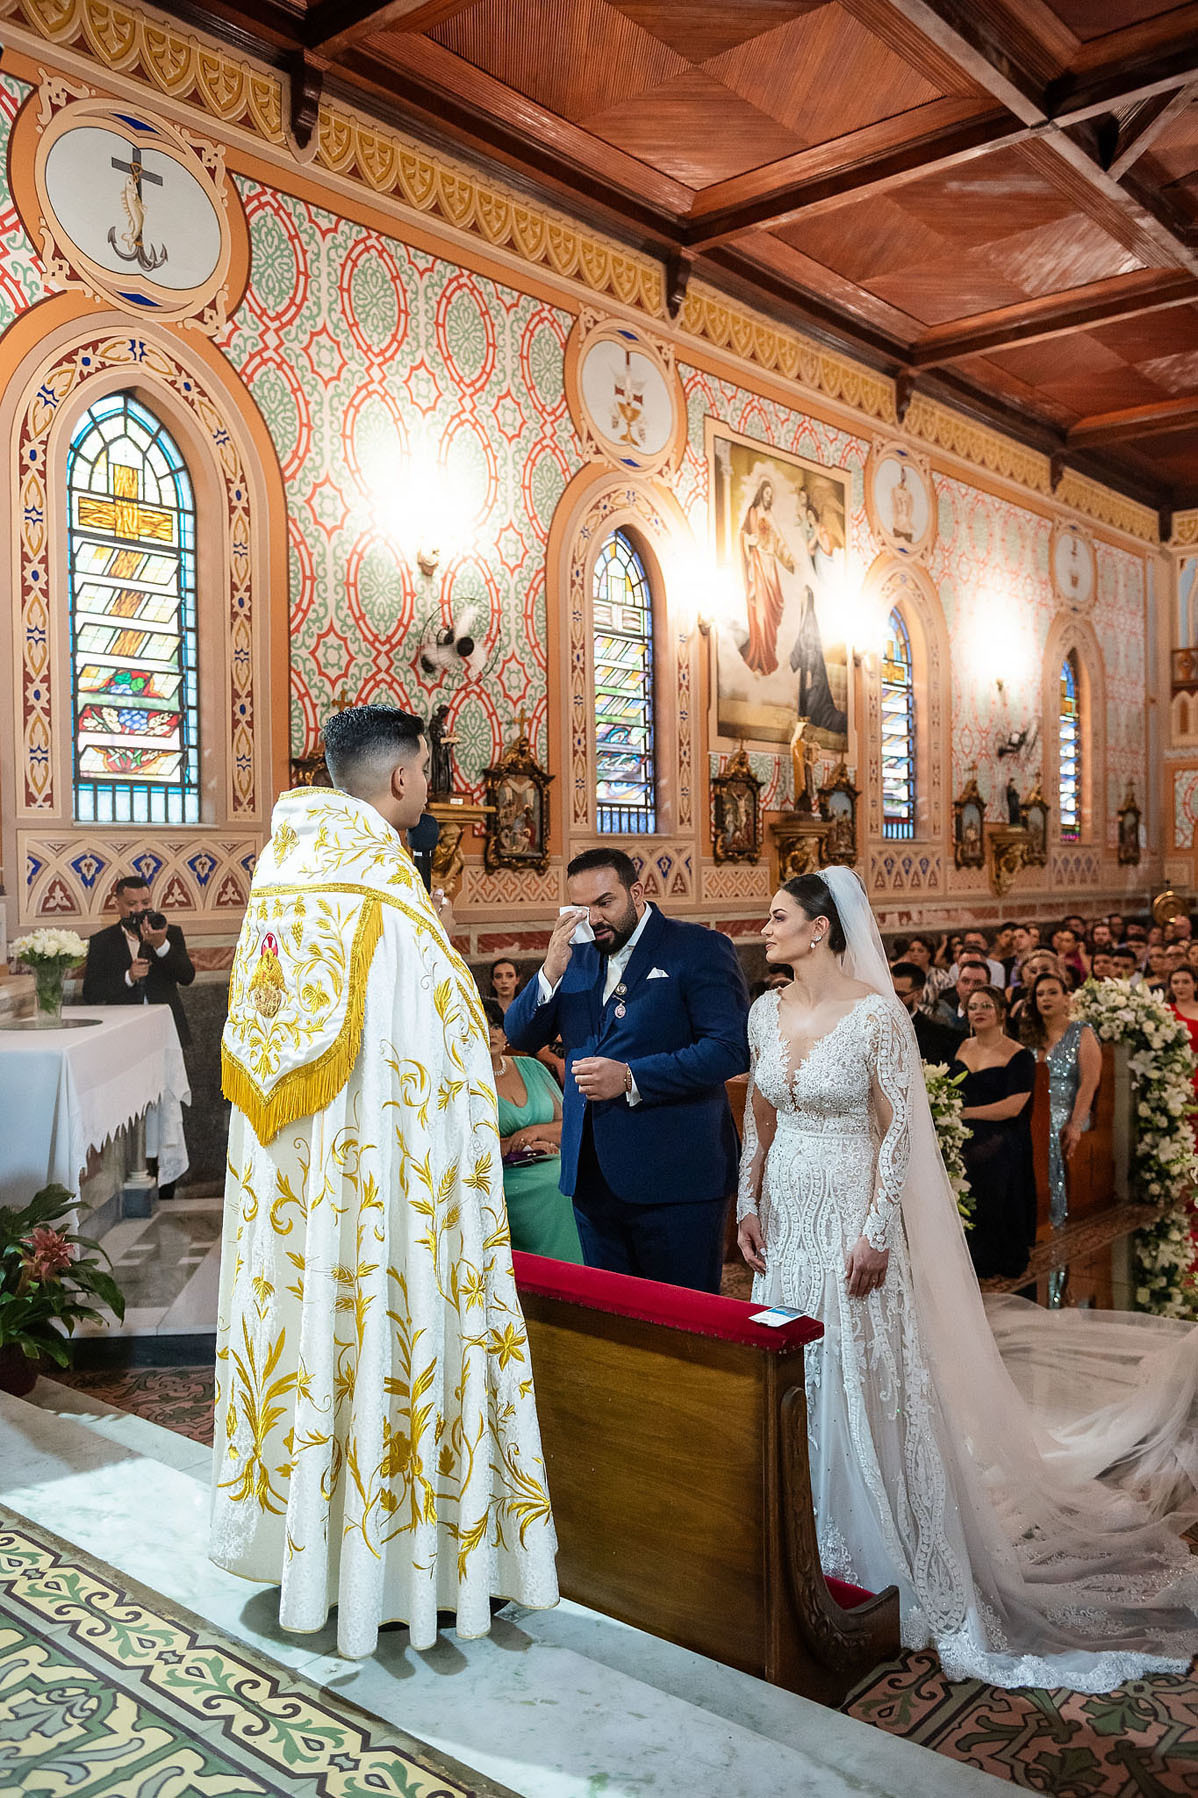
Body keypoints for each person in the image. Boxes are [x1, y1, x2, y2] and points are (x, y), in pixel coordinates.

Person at [735, 866, 1198, 1691]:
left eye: (776, 917)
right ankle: (804, 1543)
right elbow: (757, 1119)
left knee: (860, 1371)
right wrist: (746, 1204)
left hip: (849, 1212)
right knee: (797, 1372)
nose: (763, 928)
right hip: (788, 1214)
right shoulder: (763, 1010)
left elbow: (899, 1128)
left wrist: (879, 1232)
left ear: (820, 929)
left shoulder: (876, 1016)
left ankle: (880, 1557)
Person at [211, 705, 557, 1658]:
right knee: (385, 1351)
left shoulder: (281, 884)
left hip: (301, 1217)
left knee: (307, 1346)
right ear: (406, 778)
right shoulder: (391, 913)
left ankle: (310, 1556)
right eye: (430, 772)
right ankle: (401, 1569)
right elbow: (443, 1086)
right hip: (387, 1220)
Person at [503, 847, 749, 1293]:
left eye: (605, 903)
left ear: (636, 893)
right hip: (591, 1176)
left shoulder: (697, 948)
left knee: (682, 1325)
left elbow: (729, 1050)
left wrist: (632, 1077)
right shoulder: (574, 958)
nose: (593, 918)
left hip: (675, 1176)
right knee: (613, 1328)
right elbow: (519, 1036)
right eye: (582, 907)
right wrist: (549, 970)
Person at [484, 998, 582, 1264]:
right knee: (556, 1188)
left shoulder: (533, 1067)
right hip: (504, 1177)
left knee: (580, 1181)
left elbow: (570, 1127)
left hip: (553, 1162)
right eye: (480, 1024)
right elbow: (467, 1145)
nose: (490, 1031)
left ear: (506, 1034)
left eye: (496, 1025)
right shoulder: (463, 1082)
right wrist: (521, 1145)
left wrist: (536, 1131)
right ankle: (552, 1284)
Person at [953, 987, 1037, 1279]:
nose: (979, 1011)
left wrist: (965, 1114)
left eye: (987, 1005)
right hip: (961, 1133)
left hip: (1002, 1134)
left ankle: (994, 1255)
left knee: (991, 1165)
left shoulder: (1019, 1054)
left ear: (1001, 1012)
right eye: (974, 1006)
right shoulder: (962, 1046)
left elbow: (1013, 1107)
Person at [1020, 971, 1101, 1232]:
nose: (1045, 999)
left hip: (1070, 1107)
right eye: (1040, 994)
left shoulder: (1082, 1031)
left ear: (1066, 998)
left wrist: (1076, 1123)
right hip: (1034, 1104)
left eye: (1052, 992)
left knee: (1050, 1126)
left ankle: (1052, 1209)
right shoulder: (1029, 1034)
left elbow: (1090, 1081)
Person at [82, 873, 195, 1047]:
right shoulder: (102, 941)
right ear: (117, 904)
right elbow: (91, 993)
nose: (140, 909)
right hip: (122, 1032)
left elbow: (187, 977)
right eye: (132, 904)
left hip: (165, 1029)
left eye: (146, 903)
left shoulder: (170, 933)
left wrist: (161, 945)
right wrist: (128, 977)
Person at [890, 961, 960, 1063]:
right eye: (890, 992)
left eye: (900, 994)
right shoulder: (874, 1024)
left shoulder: (936, 1034)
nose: (894, 999)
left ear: (918, 994)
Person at [930, 956, 991, 1036]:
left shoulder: (994, 1021)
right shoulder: (942, 1014)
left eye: (978, 983)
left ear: (988, 988)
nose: (970, 988)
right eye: (965, 981)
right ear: (957, 985)